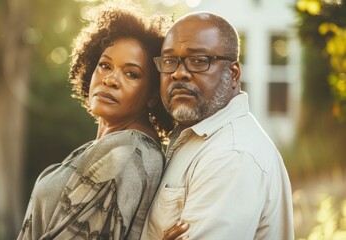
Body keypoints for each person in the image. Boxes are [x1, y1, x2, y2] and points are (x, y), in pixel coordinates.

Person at [17, 2, 174, 239]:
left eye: (131, 73)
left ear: (153, 94)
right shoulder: (115, 146)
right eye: (105, 65)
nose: (111, 79)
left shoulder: (128, 154)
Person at [142, 11, 294, 240]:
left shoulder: (232, 154)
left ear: (233, 73)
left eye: (199, 60)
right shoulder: (197, 138)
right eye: (170, 61)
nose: (179, 73)